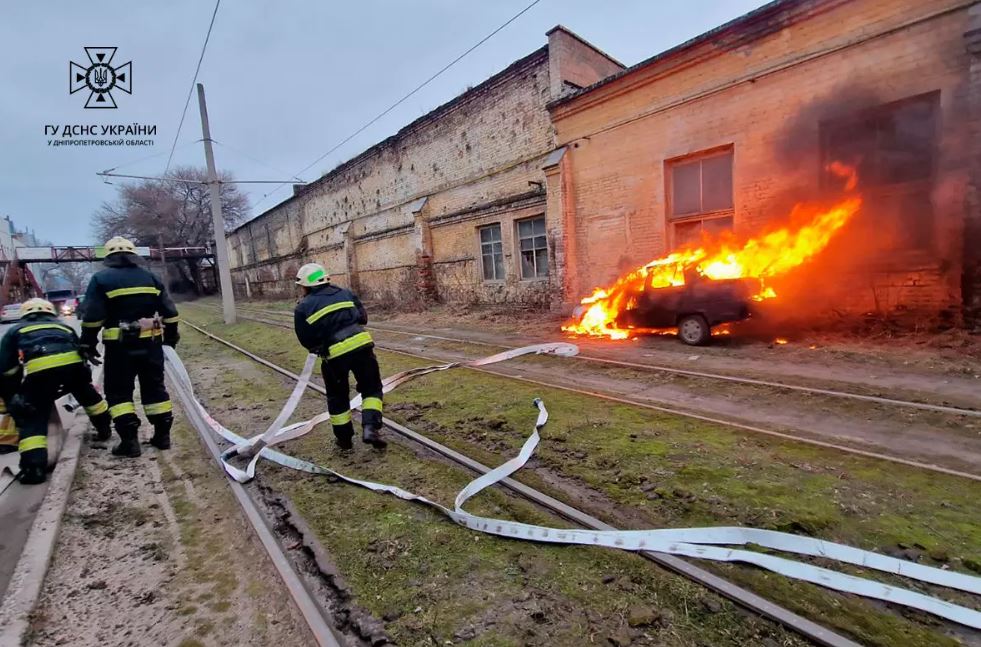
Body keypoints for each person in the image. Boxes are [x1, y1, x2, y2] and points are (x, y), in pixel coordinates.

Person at [80, 236, 180, 457]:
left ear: (108, 257)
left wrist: (88, 342)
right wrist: (170, 340)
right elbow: (170, 313)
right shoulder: (151, 277)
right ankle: (163, 437)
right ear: (133, 255)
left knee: (118, 392)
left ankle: (129, 442)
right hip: (151, 344)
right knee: (155, 387)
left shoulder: (100, 279)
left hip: (119, 349)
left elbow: (93, 316)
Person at [0, 298, 111, 484]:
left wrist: (14, 394)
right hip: (74, 370)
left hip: (41, 377)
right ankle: (104, 428)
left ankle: (34, 469)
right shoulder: (64, 328)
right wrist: (84, 380)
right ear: (51, 312)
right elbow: (79, 352)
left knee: (33, 417)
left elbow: (6, 368)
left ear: (24, 314)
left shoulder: (15, 330)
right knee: (90, 398)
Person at [292, 262, 385, 450]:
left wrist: (320, 346)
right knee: (372, 388)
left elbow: (306, 339)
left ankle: (344, 440)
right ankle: (370, 428)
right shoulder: (346, 293)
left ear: (305, 286)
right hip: (362, 347)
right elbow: (363, 318)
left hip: (334, 356)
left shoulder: (303, 308)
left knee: (337, 397)